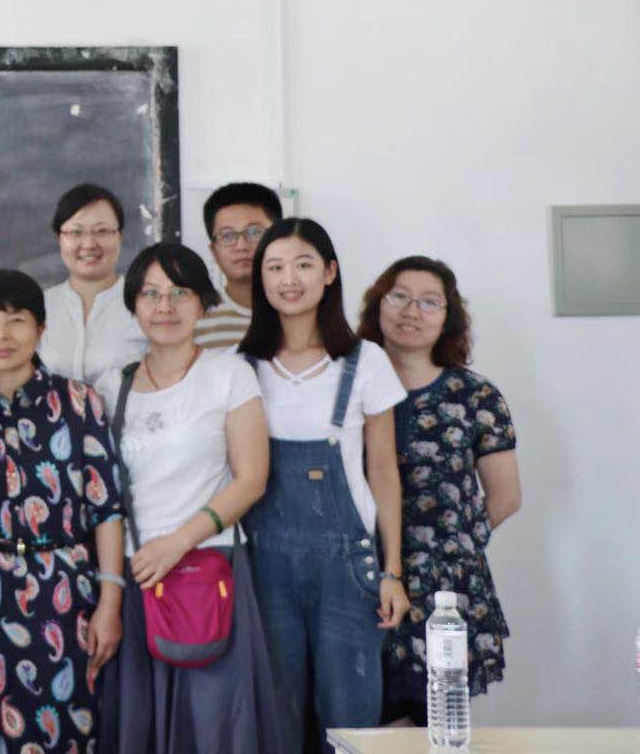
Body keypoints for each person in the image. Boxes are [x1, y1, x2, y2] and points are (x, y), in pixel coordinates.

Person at [96, 242, 281, 754]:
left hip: (207, 569)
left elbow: (252, 479)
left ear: (203, 302)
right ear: (134, 305)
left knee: (213, 726)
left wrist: (177, 542)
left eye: (179, 293)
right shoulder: (112, 386)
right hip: (136, 576)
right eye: (150, 294)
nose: (165, 306)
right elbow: (102, 495)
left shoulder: (229, 373)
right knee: (140, 726)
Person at [236, 218, 411, 752]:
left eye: (304, 264)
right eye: (275, 267)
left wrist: (392, 571)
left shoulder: (366, 362)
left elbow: (383, 471)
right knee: (276, 718)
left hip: (347, 570)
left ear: (329, 272)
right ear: (261, 280)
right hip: (263, 567)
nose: (289, 279)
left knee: (351, 721)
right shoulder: (240, 367)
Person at [0, 269, 127, 754]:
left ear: (41, 329)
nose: (1, 335)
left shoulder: (79, 403)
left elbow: (107, 509)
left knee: (71, 729)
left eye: (16, 320)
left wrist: (110, 603)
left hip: (67, 593)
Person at [358, 257, 520, 727]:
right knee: (363, 722)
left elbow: (506, 496)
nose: (412, 311)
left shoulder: (475, 396)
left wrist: (454, 546)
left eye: (430, 302)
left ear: (449, 317)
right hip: (364, 576)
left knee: (432, 726)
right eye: (399, 297)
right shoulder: (349, 387)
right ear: (378, 305)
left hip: (444, 592)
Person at [38, 183, 148, 384]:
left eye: (101, 231)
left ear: (119, 237)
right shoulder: (39, 306)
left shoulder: (146, 305)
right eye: (76, 232)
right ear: (59, 238)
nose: (89, 244)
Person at [195, 182, 284, 351]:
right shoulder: (195, 322)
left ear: (279, 239)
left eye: (254, 232)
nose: (241, 246)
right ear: (214, 251)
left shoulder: (303, 314)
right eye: (227, 235)